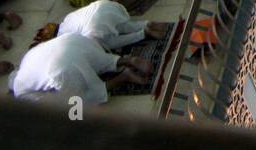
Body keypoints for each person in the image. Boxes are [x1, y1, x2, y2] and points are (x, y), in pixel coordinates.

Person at [10, 32, 153, 104]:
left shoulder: (20, 92)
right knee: (100, 61)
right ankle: (126, 60)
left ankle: (124, 76)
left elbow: (51, 104)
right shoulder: (27, 58)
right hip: (73, 40)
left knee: (77, 104)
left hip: (62, 68)